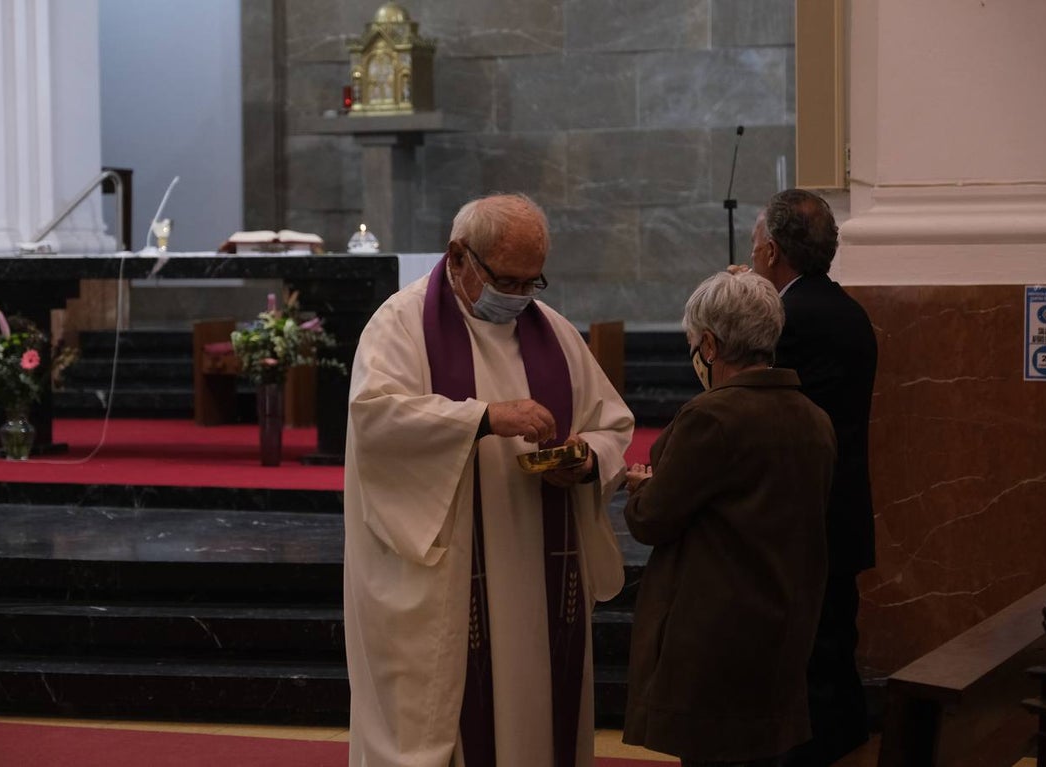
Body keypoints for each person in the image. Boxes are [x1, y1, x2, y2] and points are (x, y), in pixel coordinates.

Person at [343, 193, 635, 767]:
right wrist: (482, 418)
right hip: (449, 576)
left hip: (537, 572)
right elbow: (376, 418)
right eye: (507, 280)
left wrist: (585, 459)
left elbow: (612, 425)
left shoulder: (553, 333)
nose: (520, 296)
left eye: (532, 282)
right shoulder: (400, 324)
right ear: (458, 256)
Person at [621, 270, 836, 767]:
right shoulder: (814, 417)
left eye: (695, 343)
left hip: (715, 634)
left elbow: (651, 520)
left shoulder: (711, 417)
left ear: (710, 345)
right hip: (784, 623)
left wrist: (641, 489)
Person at [749, 189, 878, 766]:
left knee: (809, 659)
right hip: (842, 509)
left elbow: (742, 398)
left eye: (756, 245)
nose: (752, 254)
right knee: (835, 648)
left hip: (799, 519)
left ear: (773, 252)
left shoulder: (785, 319)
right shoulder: (848, 310)